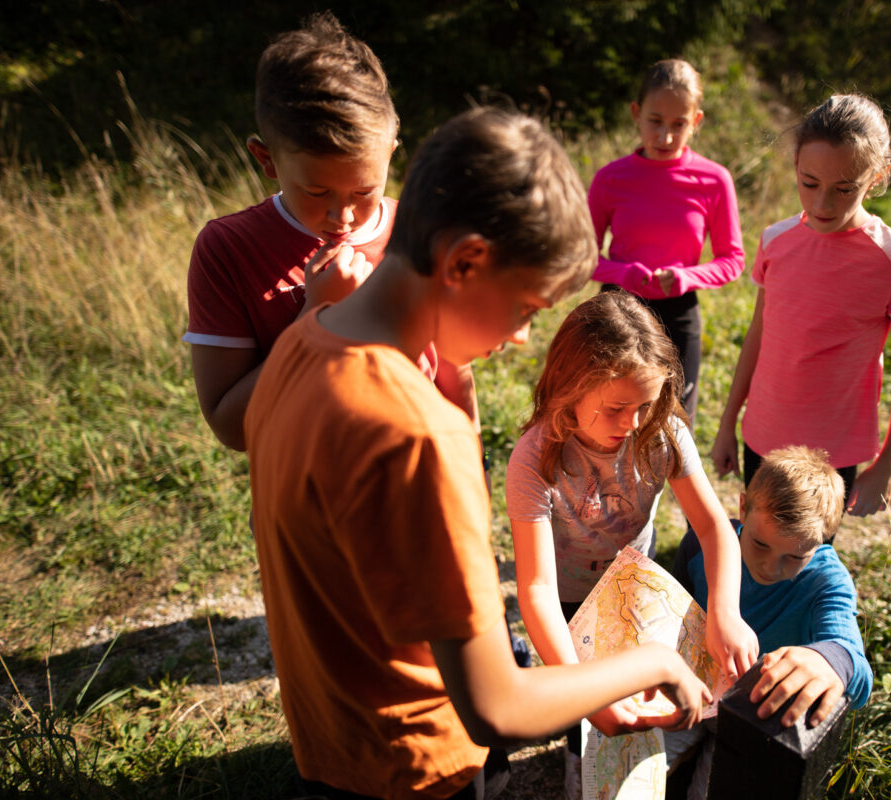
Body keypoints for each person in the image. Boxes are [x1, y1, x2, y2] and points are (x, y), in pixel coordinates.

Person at [245, 107, 712, 800]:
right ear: (464, 261)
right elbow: (495, 706)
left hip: (330, 743)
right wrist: (645, 663)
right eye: (526, 306)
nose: (525, 335)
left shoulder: (300, 342)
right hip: (417, 768)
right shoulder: (419, 437)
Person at [183, 11, 478, 453]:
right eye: (316, 191)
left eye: (364, 191)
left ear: (391, 154)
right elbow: (231, 427)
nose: (341, 216)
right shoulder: (228, 249)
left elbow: (452, 370)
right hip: (305, 506)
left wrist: (474, 459)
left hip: (419, 487)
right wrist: (318, 317)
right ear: (266, 160)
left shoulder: (417, 228)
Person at [506, 290, 758, 799]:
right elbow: (534, 588)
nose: (633, 423)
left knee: (637, 700)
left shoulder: (663, 434)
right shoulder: (533, 462)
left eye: (645, 404)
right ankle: (579, 748)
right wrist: (581, 693)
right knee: (589, 718)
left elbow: (712, 528)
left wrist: (724, 612)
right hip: (567, 601)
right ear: (567, 389)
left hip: (634, 590)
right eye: (616, 408)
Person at [710, 93, 891, 517]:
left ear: (878, 175)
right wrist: (727, 424)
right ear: (796, 164)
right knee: (757, 536)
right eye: (810, 183)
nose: (822, 204)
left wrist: (889, 464)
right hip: (762, 433)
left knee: (800, 556)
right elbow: (759, 335)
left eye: (844, 188)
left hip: (830, 454)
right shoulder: (776, 240)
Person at [667, 445, 873, 799]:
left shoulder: (827, 582)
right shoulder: (704, 544)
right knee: (634, 760)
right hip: (691, 689)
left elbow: (857, 668)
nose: (771, 567)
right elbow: (670, 610)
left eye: (794, 556)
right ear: (743, 506)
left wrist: (829, 660)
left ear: (824, 537)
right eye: (760, 544)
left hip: (754, 719)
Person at [588, 59, 745, 422]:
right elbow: (582, 257)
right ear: (636, 112)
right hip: (618, 311)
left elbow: (732, 259)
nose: (665, 137)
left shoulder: (714, 180)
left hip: (679, 314)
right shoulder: (611, 178)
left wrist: (686, 277)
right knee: (609, 419)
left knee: (672, 427)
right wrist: (623, 274)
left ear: (697, 121)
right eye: (655, 121)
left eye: (679, 125)